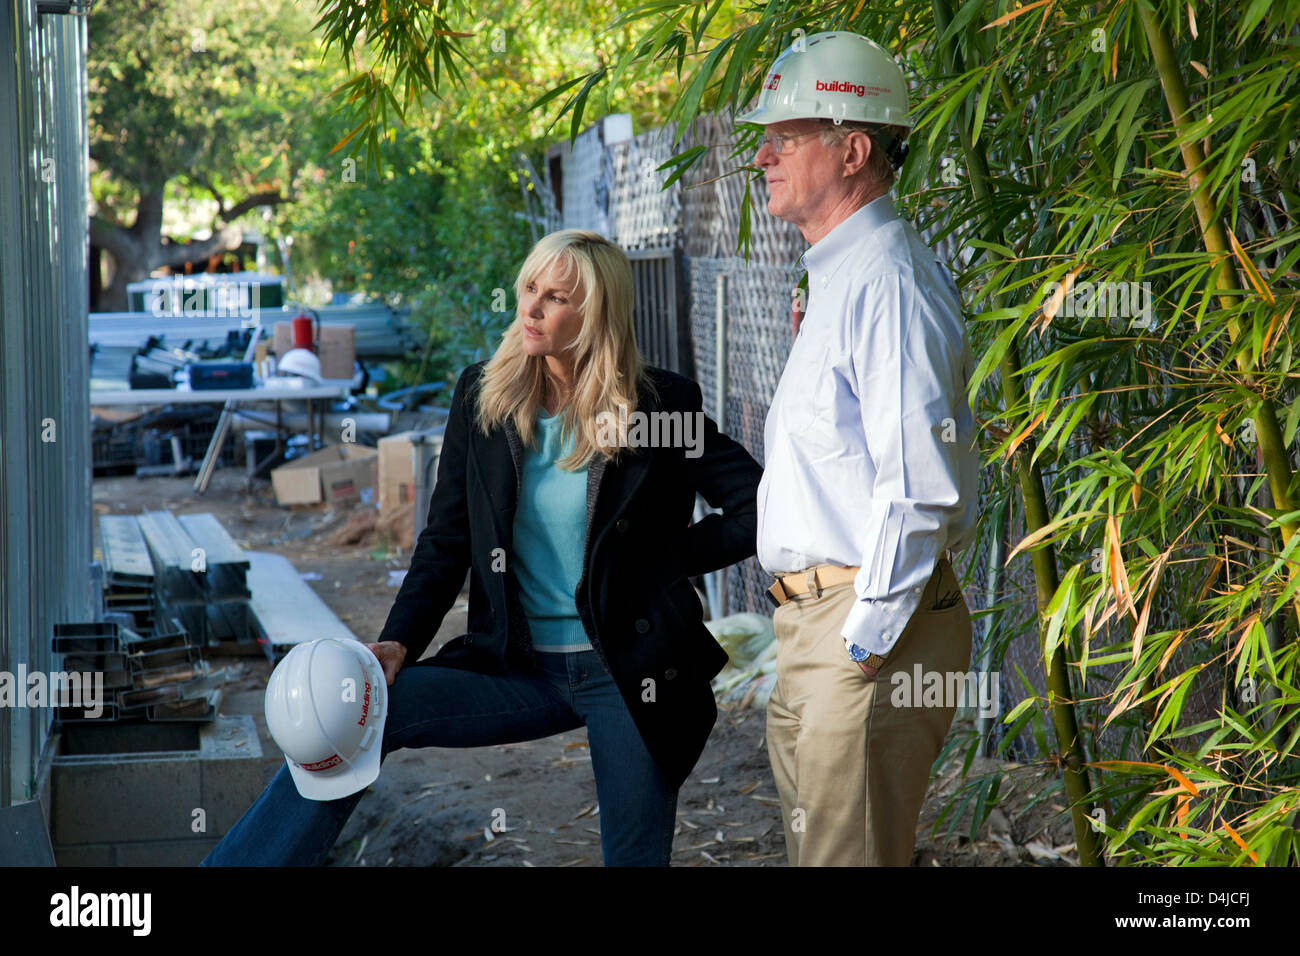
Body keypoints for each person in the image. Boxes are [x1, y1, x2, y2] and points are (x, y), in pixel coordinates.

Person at [202, 230, 763, 866]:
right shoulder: (483, 399)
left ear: (597, 313)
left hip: (628, 671)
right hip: (516, 665)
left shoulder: (662, 408)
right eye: (529, 289)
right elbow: (445, 540)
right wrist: (398, 642)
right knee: (349, 721)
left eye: (555, 297)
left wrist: (665, 562)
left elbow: (756, 507)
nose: (531, 308)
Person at [738, 31, 979, 866]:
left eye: (785, 136)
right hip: (815, 627)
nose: (760, 155)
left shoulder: (888, 283)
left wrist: (865, 642)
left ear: (854, 149)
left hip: (866, 626)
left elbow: (920, 487)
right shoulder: (840, 277)